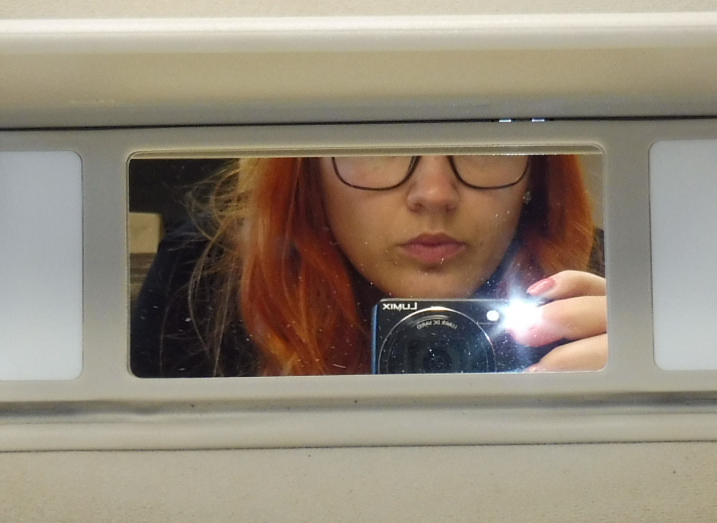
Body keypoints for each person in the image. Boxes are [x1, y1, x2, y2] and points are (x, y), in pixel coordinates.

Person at [131, 153, 606, 377]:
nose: (434, 195)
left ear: (536, 173)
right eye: (381, 141)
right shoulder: (210, 281)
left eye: (483, 142)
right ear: (309, 172)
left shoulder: (601, 288)